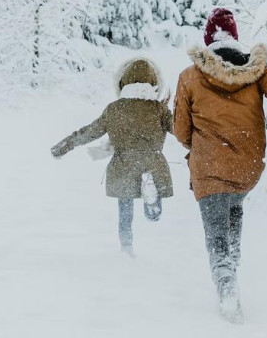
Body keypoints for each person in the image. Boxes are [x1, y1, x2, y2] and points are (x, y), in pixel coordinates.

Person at [173, 8, 267, 323]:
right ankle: (234, 263)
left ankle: (227, 285)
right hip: (247, 164)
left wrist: (195, 146)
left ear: (208, 39)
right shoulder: (257, 70)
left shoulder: (190, 76)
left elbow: (180, 131)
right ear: (235, 36)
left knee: (216, 225)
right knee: (234, 205)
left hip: (209, 165)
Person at [51, 58, 174, 257]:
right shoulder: (159, 109)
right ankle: (151, 197)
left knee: (125, 210)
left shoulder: (114, 108)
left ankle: (126, 248)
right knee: (153, 212)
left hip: (124, 164)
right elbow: (180, 129)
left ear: (123, 82)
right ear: (153, 83)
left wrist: (66, 144)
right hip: (153, 161)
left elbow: (90, 131)